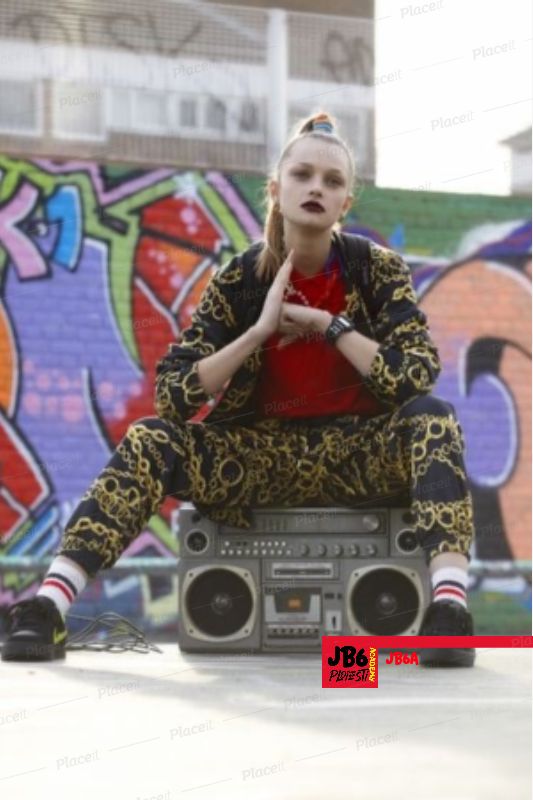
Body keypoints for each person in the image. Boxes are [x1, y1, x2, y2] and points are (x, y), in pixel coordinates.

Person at [1, 111, 476, 667]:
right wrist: (258, 332)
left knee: (432, 417)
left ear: (346, 203)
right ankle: (49, 608)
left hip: (358, 454)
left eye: (332, 181)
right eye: (302, 175)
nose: (316, 188)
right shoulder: (240, 279)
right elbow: (174, 395)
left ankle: (448, 611)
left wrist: (331, 326)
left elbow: (415, 373)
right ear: (276, 189)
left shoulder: (376, 271)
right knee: (153, 438)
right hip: (257, 455)